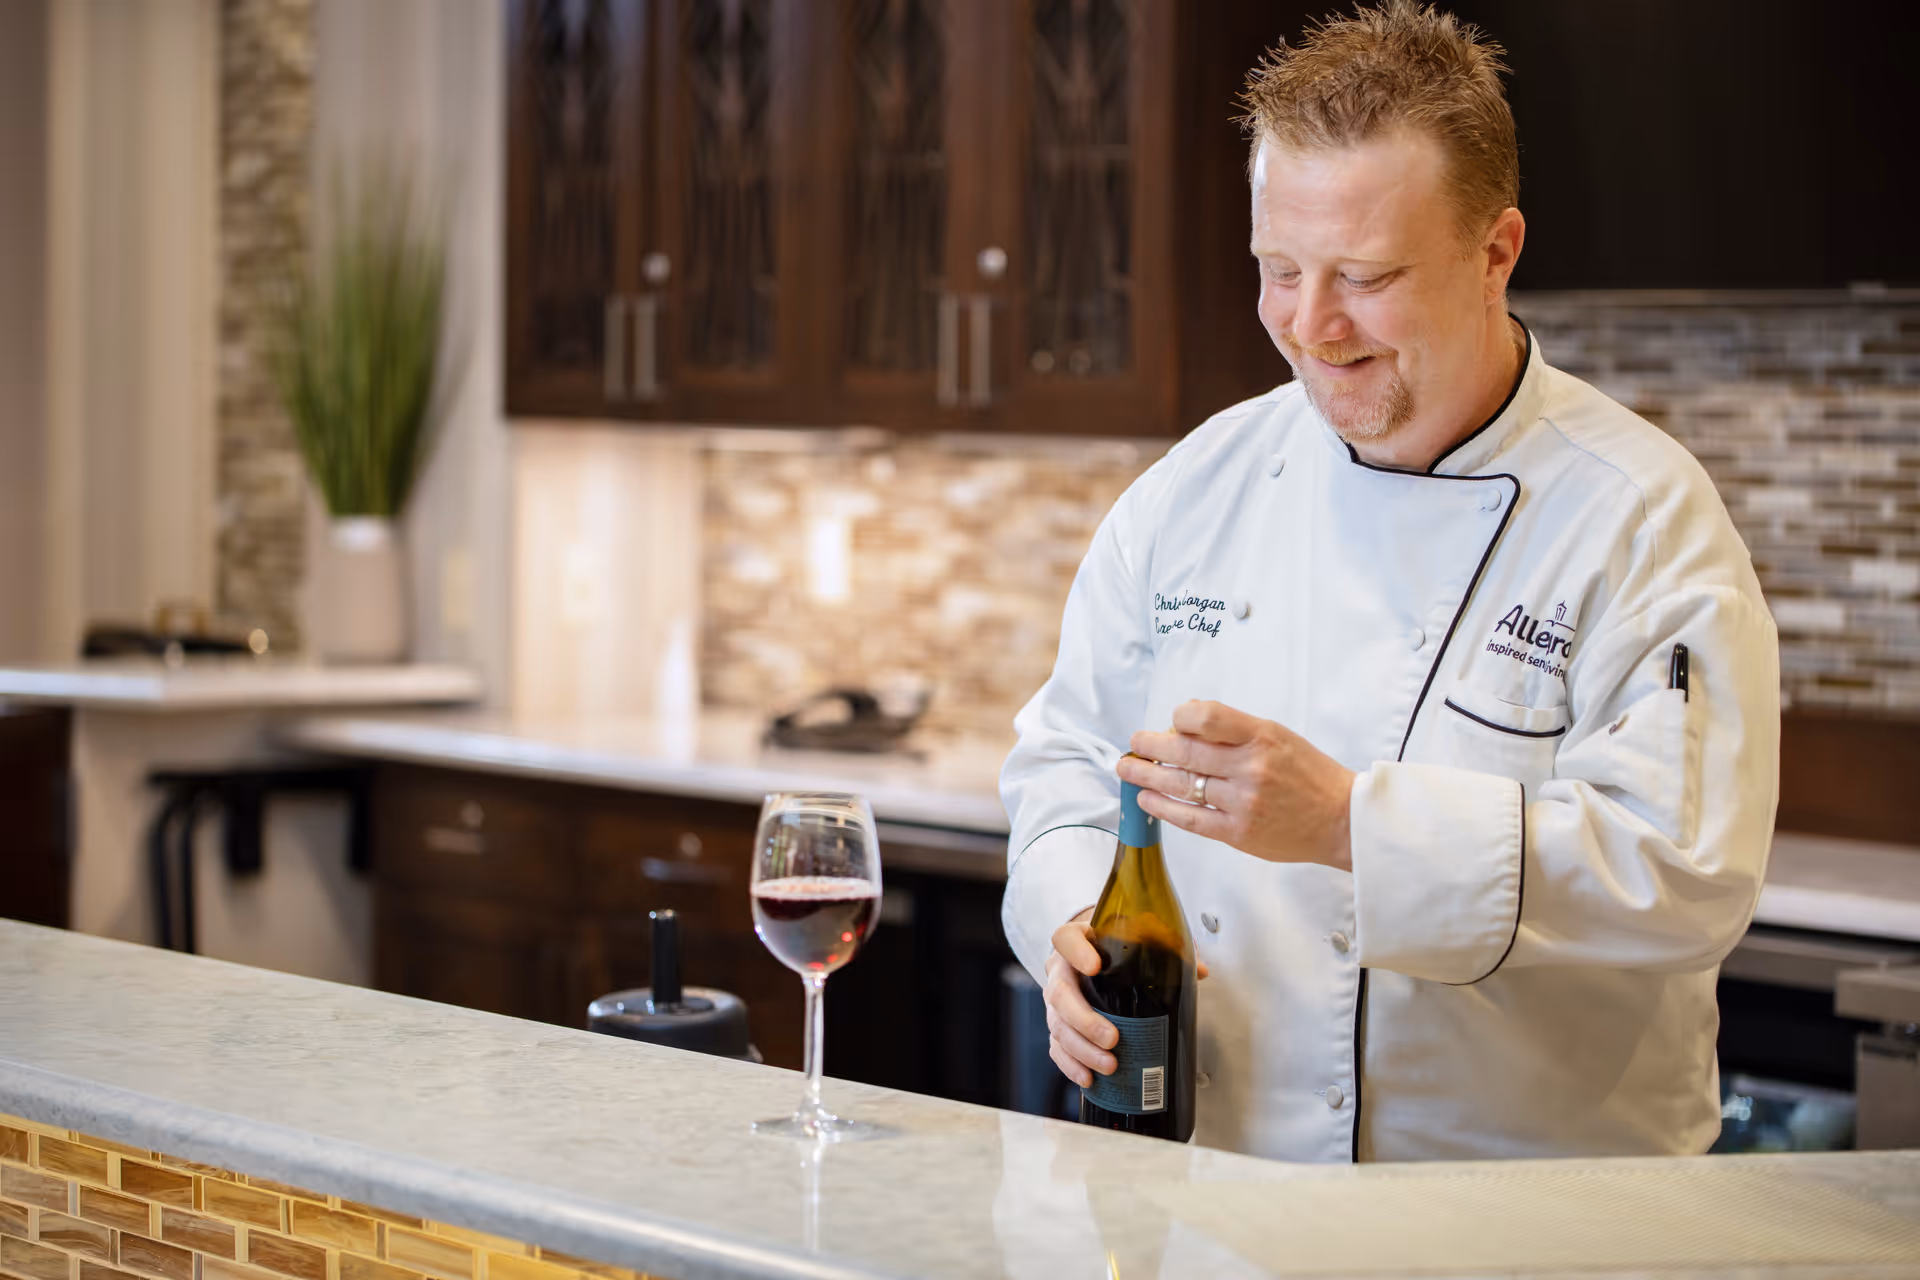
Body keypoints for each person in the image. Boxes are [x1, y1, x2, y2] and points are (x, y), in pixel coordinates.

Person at [999, 0, 1780, 1163]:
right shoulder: (1198, 487)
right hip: (1225, 1195)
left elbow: (1685, 871)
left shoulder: (1639, 516)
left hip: (1528, 1222)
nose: (1312, 326)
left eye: (1364, 276)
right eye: (1278, 269)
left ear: (1496, 252)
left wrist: (1349, 824)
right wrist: (1070, 920)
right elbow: (1066, 760)